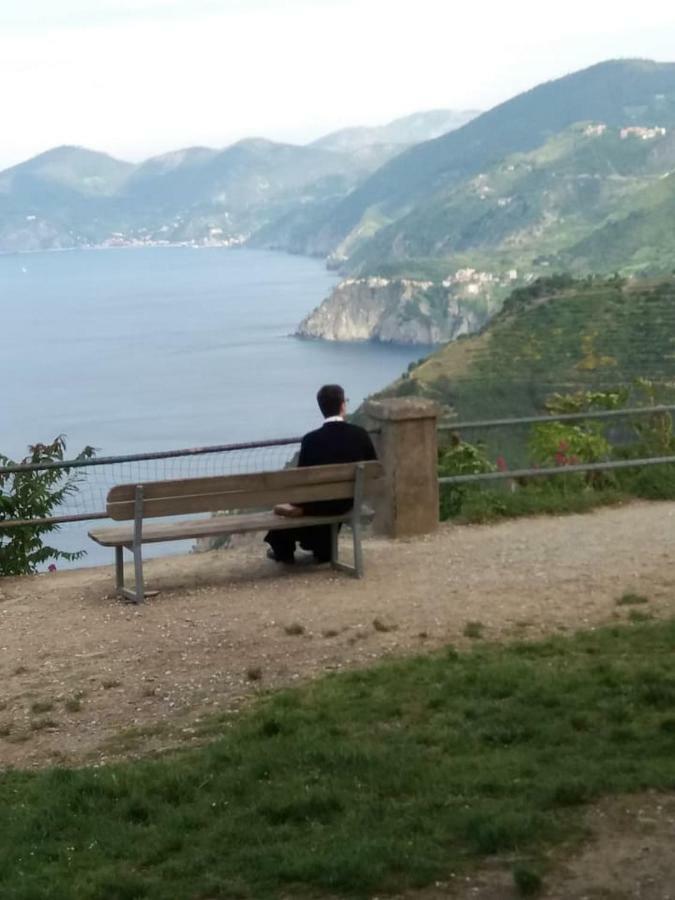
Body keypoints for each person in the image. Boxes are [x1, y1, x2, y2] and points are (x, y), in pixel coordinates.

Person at [264, 384, 377, 564]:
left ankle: (286, 550)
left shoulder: (311, 440)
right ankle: (323, 549)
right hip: (348, 502)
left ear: (321, 408)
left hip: (317, 505)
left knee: (294, 508)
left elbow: (302, 479)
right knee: (323, 505)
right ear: (342, 406)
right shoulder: (360, 435)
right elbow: (373, 470)